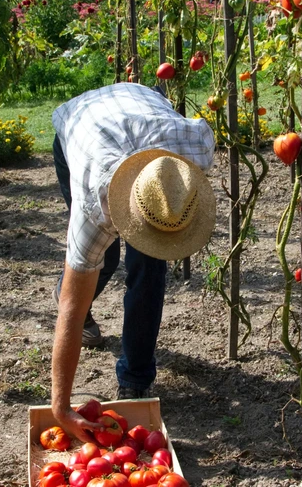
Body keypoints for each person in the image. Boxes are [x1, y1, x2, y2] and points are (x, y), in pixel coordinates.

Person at [49, 82, 216, 443]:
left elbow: (171, 200)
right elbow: (69, 312)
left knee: (150, 269)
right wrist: (61, 408)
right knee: (100, 261)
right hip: (80, 127)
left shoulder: (191, 158)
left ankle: (135, 380)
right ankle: (73, 286)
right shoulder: (94, 207)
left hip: (139, 104)